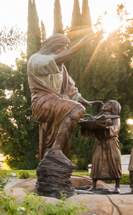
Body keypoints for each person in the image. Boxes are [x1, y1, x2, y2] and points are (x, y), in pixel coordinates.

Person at [26, 34, 101, 167]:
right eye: (63, 47)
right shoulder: (36, 59)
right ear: (54, 45)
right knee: (77, 109)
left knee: (62, 141)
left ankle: (55, 167)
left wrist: (87, 102)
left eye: (66, 48)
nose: (64, 50)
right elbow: (52, 62)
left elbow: (71, 91)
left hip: (57, 104)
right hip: (42, 103)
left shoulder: (62, 69)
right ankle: (56, 150)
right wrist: (77, 48)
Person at [82, 100, 123, 192]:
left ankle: (117, 186)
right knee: (97, 162)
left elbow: (115, 129)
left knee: (114, 162)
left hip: (111, 142)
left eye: (109, 104)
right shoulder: (97, 117)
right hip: (99, 142)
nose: (105, 105)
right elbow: (90, 130)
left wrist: (106, 127)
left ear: (114, 107)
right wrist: (85, 126)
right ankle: (94, 185)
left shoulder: (115, 118)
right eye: (106, 103)